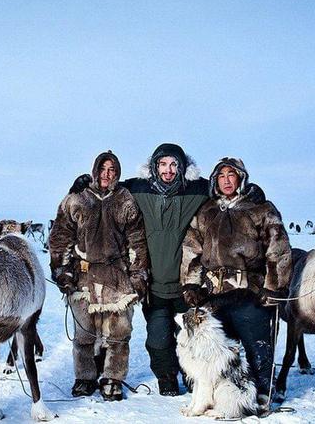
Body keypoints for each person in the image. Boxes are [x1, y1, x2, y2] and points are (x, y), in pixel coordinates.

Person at [180, 157, 292, 413]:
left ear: (241, 178)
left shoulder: (261, 209)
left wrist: (274, 288)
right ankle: (224, 396)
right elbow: (191, 249)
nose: (227, 180)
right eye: (221, 176)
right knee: (221, 353)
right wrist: (191, 284)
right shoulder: (206, 211)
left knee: (256, 347)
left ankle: (263, 393)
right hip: (214, 294)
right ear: (215, 180)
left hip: (250, 292)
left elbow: (279, 250)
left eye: (232, 175)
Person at [48, 150, 149, 401]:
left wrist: (138, 276)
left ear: (118, 173)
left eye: (112, 170)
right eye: (103, 170)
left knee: (118, 332)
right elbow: (60, 236)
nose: (107, 174)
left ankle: (113, 378)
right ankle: (85, 377)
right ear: (95, 171)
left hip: (117, 276)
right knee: (85, 333)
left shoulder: (126, 200)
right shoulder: (76, 198)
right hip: (83, 276)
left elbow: (137, 241)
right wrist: (61, 270)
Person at [120, 143, 210, 396]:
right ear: (154, 167)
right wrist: (81, 185)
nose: (168, 170)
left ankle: (193, 377)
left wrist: (254, 190)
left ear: (183, 168)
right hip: (155, 287)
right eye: (163, 164)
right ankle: (167, 378)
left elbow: (231, 188)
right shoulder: (138, 189)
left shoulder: (199, 190)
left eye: (174, 165)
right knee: (158, 340)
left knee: (191, 337)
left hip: (187, 286)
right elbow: (106, 188)